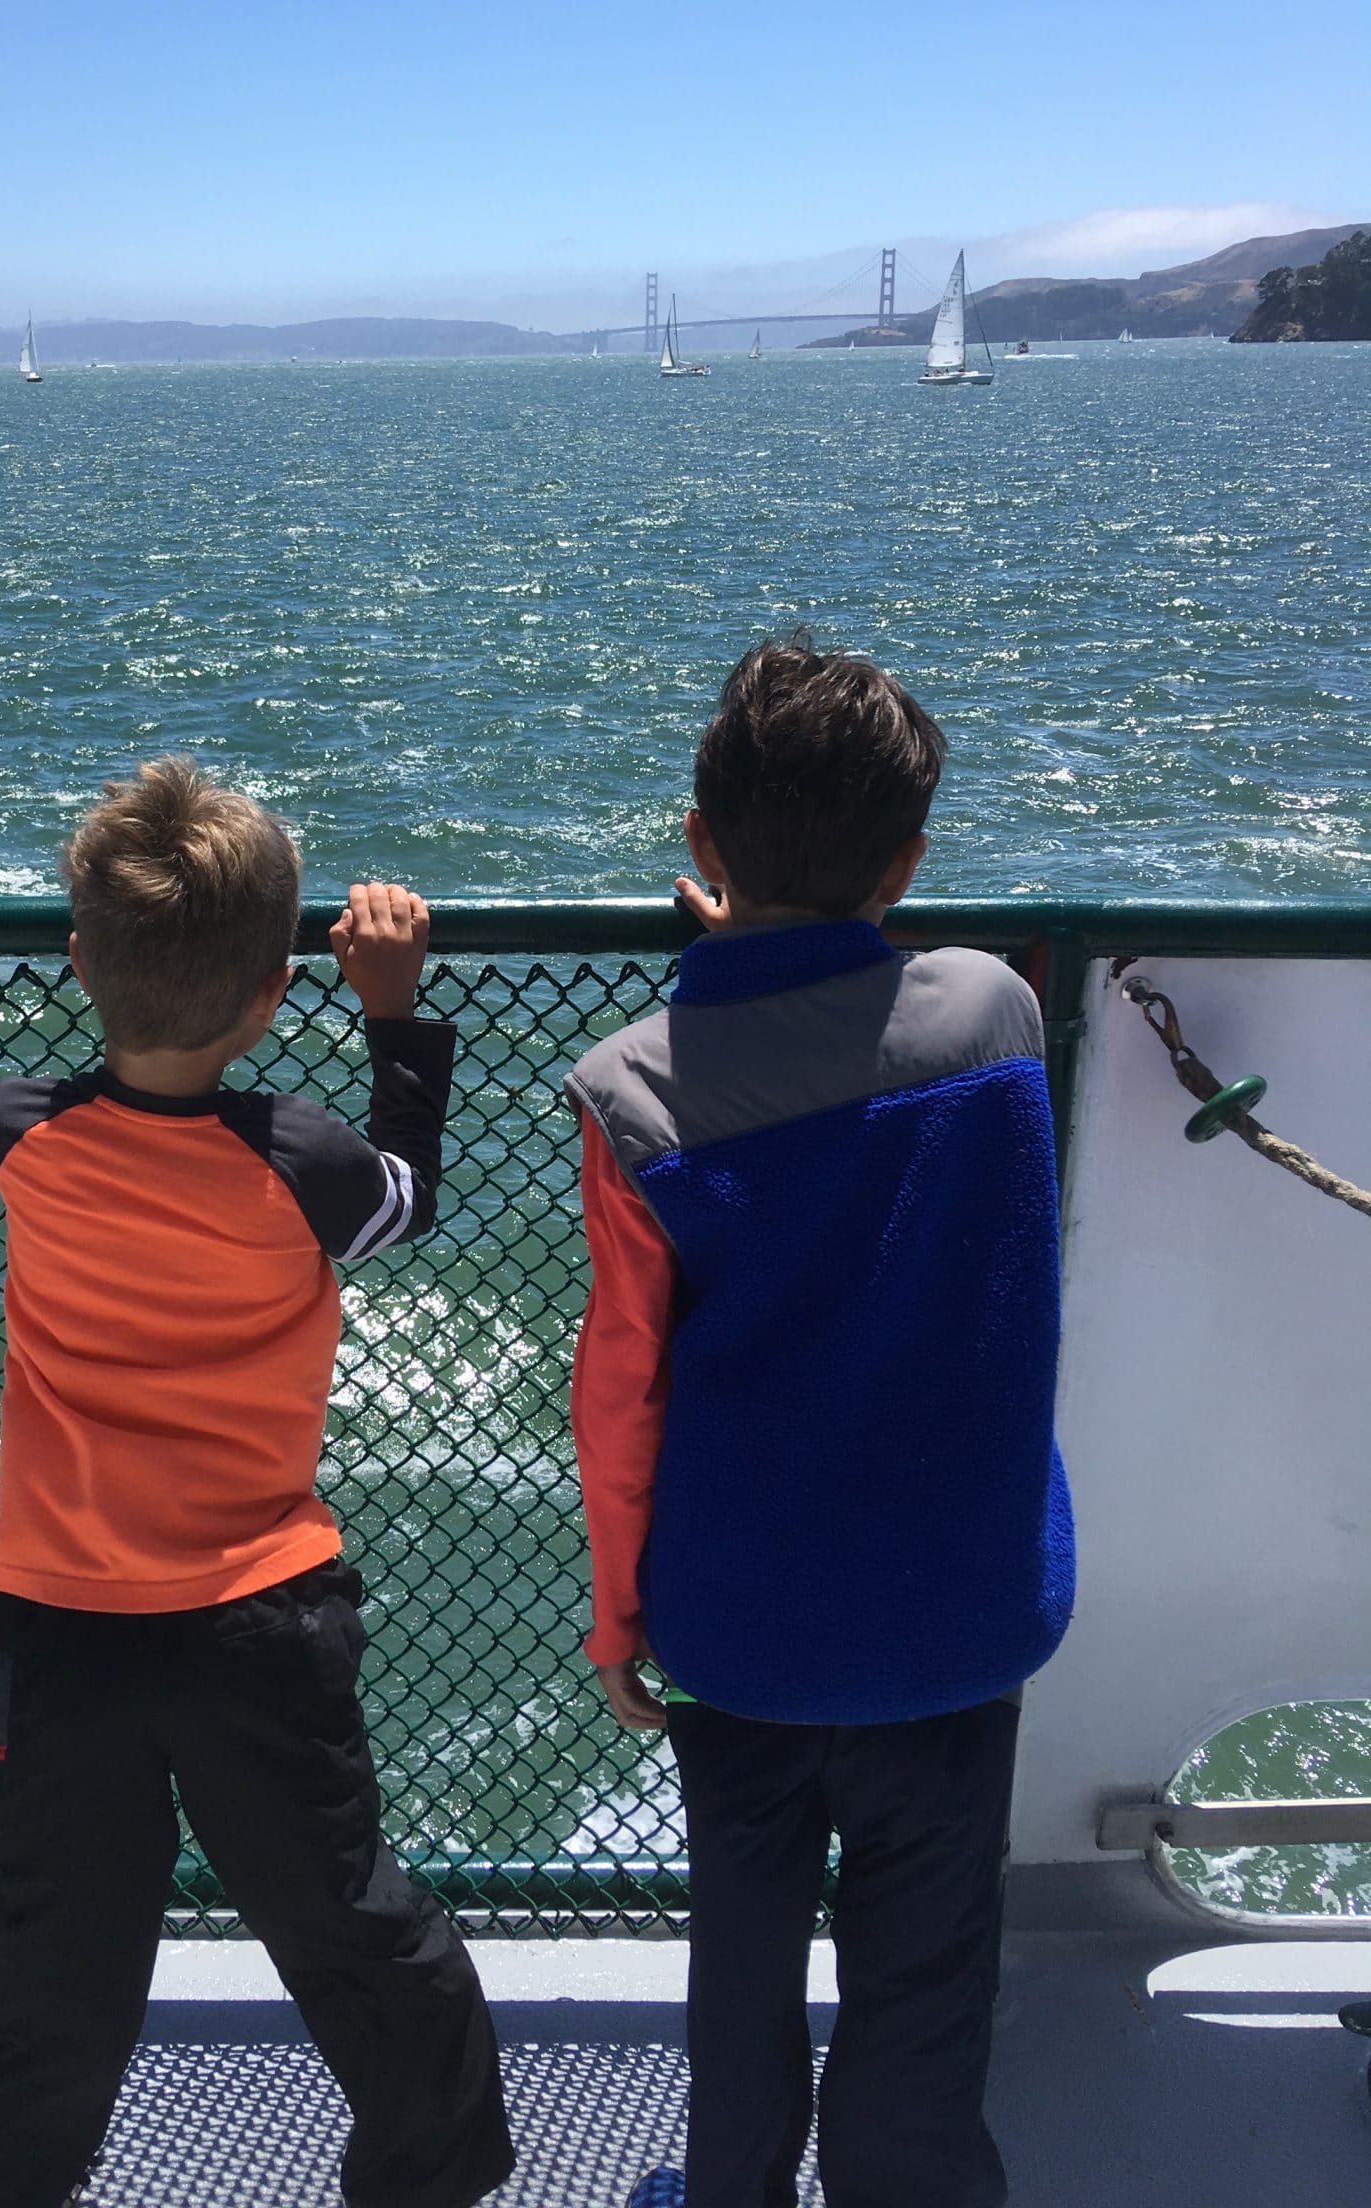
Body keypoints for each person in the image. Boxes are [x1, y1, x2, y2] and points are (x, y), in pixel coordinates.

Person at [0, 756, 513, 2208]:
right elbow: (406, 1201)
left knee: (54, 1980)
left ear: (80, 962)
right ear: (272, 994)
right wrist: (394, 1016)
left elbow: (75, 1090)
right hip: (257, 1620)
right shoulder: (302, 1161)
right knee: (362, 1942)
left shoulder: (23, 1133)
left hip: (58, 1630)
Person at [565, 638, 1074, 2208]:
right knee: (927, 1984)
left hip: (747, 1633)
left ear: (702, 849)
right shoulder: (998, 1016)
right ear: (910, 863)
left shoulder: (629, 1092)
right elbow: (880, 1044)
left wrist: (617, 1626)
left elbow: (623, 1395)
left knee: (744, 1959)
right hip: (957, 1621)